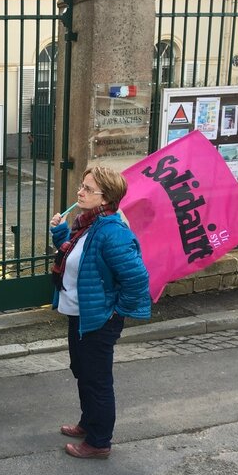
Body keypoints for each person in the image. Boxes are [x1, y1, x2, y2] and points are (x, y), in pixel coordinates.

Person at [49, 166, 151, 459]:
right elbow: (73, 255)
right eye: (82, 186)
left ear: (106, 198)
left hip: (98, 319)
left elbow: (137, 279)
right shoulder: (87, 225)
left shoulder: (112, 233)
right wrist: (59, 231)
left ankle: (99, 441)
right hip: (79, 314)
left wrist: (115, 312)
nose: (80, 192)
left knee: (98, 379)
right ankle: (88, 422)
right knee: (82, 372)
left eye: (88, 189)